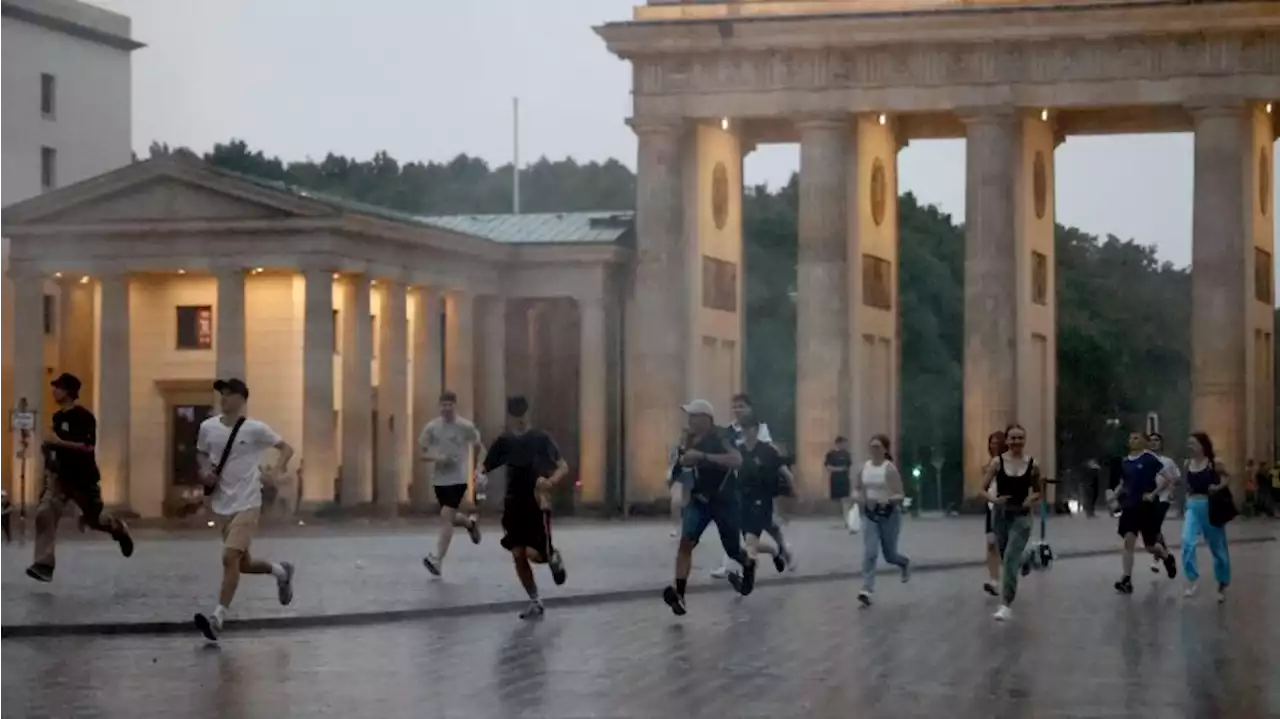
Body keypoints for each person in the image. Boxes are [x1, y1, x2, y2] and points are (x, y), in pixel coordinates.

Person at [193, 378, 296, 641]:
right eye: (221, 394)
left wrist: (276, 468)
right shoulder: (207, 427)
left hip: (249, 502)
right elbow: (201, 453)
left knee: (229, 558)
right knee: (243, 563)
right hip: (222, 503)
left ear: (241, 398)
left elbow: (286, 448)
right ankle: (282, 572)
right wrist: (204, 472)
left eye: (228, 394)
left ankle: (218, 617)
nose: (223, 398)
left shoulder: (255, 429)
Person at [27, 373, 133, 583]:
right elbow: (55, 447)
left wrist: (57, 443)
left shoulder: (84, 417)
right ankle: (44, 564)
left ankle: (118, 528)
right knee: (44, 513)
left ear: (69, 392)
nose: (54, 391)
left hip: (83, 478)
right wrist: (48, 454)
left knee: (95, 520)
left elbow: (87, 447)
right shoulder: (57, 417)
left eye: (58, 387)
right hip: (60, 478)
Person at [477, 395, 569, 620]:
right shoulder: (504, 441)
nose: (519, 420)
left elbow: (563, 467)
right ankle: (535, 600)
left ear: (528, 415)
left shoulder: (541, 439)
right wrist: (478, 476)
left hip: (537, 503)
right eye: (515, 416)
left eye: (523, 415)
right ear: (509, 417)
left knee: (534, 553)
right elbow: (485, 465)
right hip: (514, 504)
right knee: (518, 553)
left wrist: (550, 482)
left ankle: (552, 556)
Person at [663, 398, 749, 616]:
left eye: (694, 416)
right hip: (698, 500)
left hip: (724, 500)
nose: (690, 420)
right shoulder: (688, 439)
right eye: (689, 416)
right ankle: (680, 595)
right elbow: (682, 464)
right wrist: (676, 471)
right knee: (686, 542)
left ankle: (748, 564)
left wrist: (702, 456)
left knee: (732, 549)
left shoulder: (722, 435)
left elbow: (736, 460)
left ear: (706, 419)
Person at [710, 393, 778, 579]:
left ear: (750, 408)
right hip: (737, 487)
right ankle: (731, 565)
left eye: (742, 406)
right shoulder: (729, 431)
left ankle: (779, 551)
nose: (738, 410)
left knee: (769, 529)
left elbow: (769, 454)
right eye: (735, 406)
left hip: (758, 490)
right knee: (735, 527)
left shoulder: (761, 429)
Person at [419, 390, 485, 577]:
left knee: (447, 516)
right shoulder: (432, 427)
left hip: (458, 478)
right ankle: (469, 524)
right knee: (448, 517)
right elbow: (421, 454)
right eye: (443, 405)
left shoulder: (466, 426)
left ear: (455, 406)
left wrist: (479, 467)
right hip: (440, 479)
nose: (447, 408)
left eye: (450, 405)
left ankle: (437, 559)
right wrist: (437, 458)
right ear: (439, 407)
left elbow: (479, 446)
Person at [983, 424, 1042, 621]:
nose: (1016, 442)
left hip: (1022, 517)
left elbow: (1039, 491)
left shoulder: (1033, 464)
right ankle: (1027, 558)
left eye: (1020, 438)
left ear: (1024, 440)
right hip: (1000, 516)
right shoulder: (997, 463)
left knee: (1008, 560)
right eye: (1013, 438)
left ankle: (1006, 604)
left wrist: (1031, 499)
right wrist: (993, 500)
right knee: (1006, 555)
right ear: (1006, 441)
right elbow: (982, 488)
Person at [726, 418, 789, 594]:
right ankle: (774, 552)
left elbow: (782, 471)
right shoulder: (739, 450)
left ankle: (746, 585)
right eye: (742, 429)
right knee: (749, 543)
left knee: (750, 544)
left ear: (755, 429)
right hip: (743, 502)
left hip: (762, 502)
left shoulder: (768, 450)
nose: (745, 431)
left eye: (748, 428)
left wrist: (792, 487)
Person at [1114, 430, 1178, 595]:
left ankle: (1166, 557)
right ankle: (1126, 579)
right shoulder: (1125, 462)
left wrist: (1153, 493)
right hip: (1129, 506)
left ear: (1143, 441)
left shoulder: (1149, 458)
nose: (1133, 440)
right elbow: (1123, 483)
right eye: (1131, 438)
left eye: (1136, 438)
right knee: (1129, 541)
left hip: (1146, 507)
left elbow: (1169, 478)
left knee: (1150, 546)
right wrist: (1113, 498)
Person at [853, 434, 910, 607]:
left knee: (890, 555)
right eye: (872, 446)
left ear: (885, 449)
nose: (874, 450)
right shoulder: (864, 468)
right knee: (870, 552)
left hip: (889, 515)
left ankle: (904, 563)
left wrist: (888, 500)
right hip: (870, 514)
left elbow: (900, 495)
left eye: (878, 447)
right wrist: (858, 499)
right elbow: (856, 489)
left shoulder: (890, 469)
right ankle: (867, 589)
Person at [1181, 432, 1231, 602]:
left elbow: (1227, 478)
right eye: (1189, 443)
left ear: (1203, 445)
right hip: (1192, 507)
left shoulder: (1214, 463)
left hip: (1210, 507)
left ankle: (1222, 584)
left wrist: (1217, 487)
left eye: (1193, 443)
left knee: (1218, 549)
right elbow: (1188, 485)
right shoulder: (1187, 463)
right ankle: (1193, 578)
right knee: (1187, 541)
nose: (1190, 446)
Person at [1146, 432, 1180, 575]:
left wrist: (1172, 490)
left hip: (1163, 498)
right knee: (1155, 530)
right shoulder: (1145, 461)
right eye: (1152, 440)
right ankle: (1166, 556)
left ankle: (1158, 559)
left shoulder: (1168, 461)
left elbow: (1176, 477)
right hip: (1148, 500)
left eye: (1157, 440)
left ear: (1161, 444)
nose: (1154, 443)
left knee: (1155, 527)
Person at [980, 430, 1007, 597]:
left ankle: (1024, 561)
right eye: (991, 443)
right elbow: (984, 486)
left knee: (1005, 546)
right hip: (991, 507)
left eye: (997, 443)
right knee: (991, 544)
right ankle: (994, 581)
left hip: (1005, 508)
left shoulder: (1008, 463)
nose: (993, 445)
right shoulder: (990, 463)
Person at [668, 429, 695, 539]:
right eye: (683, 437)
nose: (685, 439)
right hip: (679, 476)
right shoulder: (677, 449)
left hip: (691, 476)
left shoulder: (696, 449)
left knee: (687, 504)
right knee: (675, 502)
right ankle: (675, 527)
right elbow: (672, 462)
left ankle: (688, 528)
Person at [825, 436, 855, 531]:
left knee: (846, 499)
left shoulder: (847, 454)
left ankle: (847, 520)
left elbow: (848, 466)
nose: (845, 445)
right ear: (838, 443)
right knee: (836, 500)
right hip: (835, 479)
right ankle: (836, 520)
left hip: (845, 479)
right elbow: (828, 467)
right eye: (844, 443)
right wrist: (839, 469)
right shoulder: (831, 454)